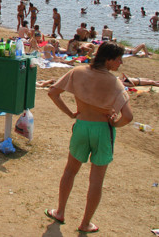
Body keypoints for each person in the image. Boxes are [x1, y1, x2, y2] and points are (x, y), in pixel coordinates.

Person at [45, 42, 133, 234]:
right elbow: (128, 116)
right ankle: (85, 223)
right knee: (96, 180)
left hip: (82, 125)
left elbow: (53, 92)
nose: (120, 63)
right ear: (108, 59)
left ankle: (60, 212)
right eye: (119, 59)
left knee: (70, 171)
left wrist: (71, 114)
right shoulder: (114, 83)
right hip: (102, 130)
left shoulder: (78, 72)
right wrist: (115, 123)